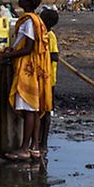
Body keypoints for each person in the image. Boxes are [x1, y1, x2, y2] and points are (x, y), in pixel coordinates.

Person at [0, 0, 51, 161]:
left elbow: (28, 48)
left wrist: (5, 56)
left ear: (28, 3)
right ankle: (35, 148)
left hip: (29, 69)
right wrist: (11, 49)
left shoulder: (30, 21)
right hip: (34, 67)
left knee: (29, 109)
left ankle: (24, 149)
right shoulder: (33, 20)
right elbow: (21, 43)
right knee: (34, 109)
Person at [39, 8, 59, 153]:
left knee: (46, 111)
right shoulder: (43, 34)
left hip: (49, 79)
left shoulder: (50, 36)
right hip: (43, 77)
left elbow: (55, 56)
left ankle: (43, 142)